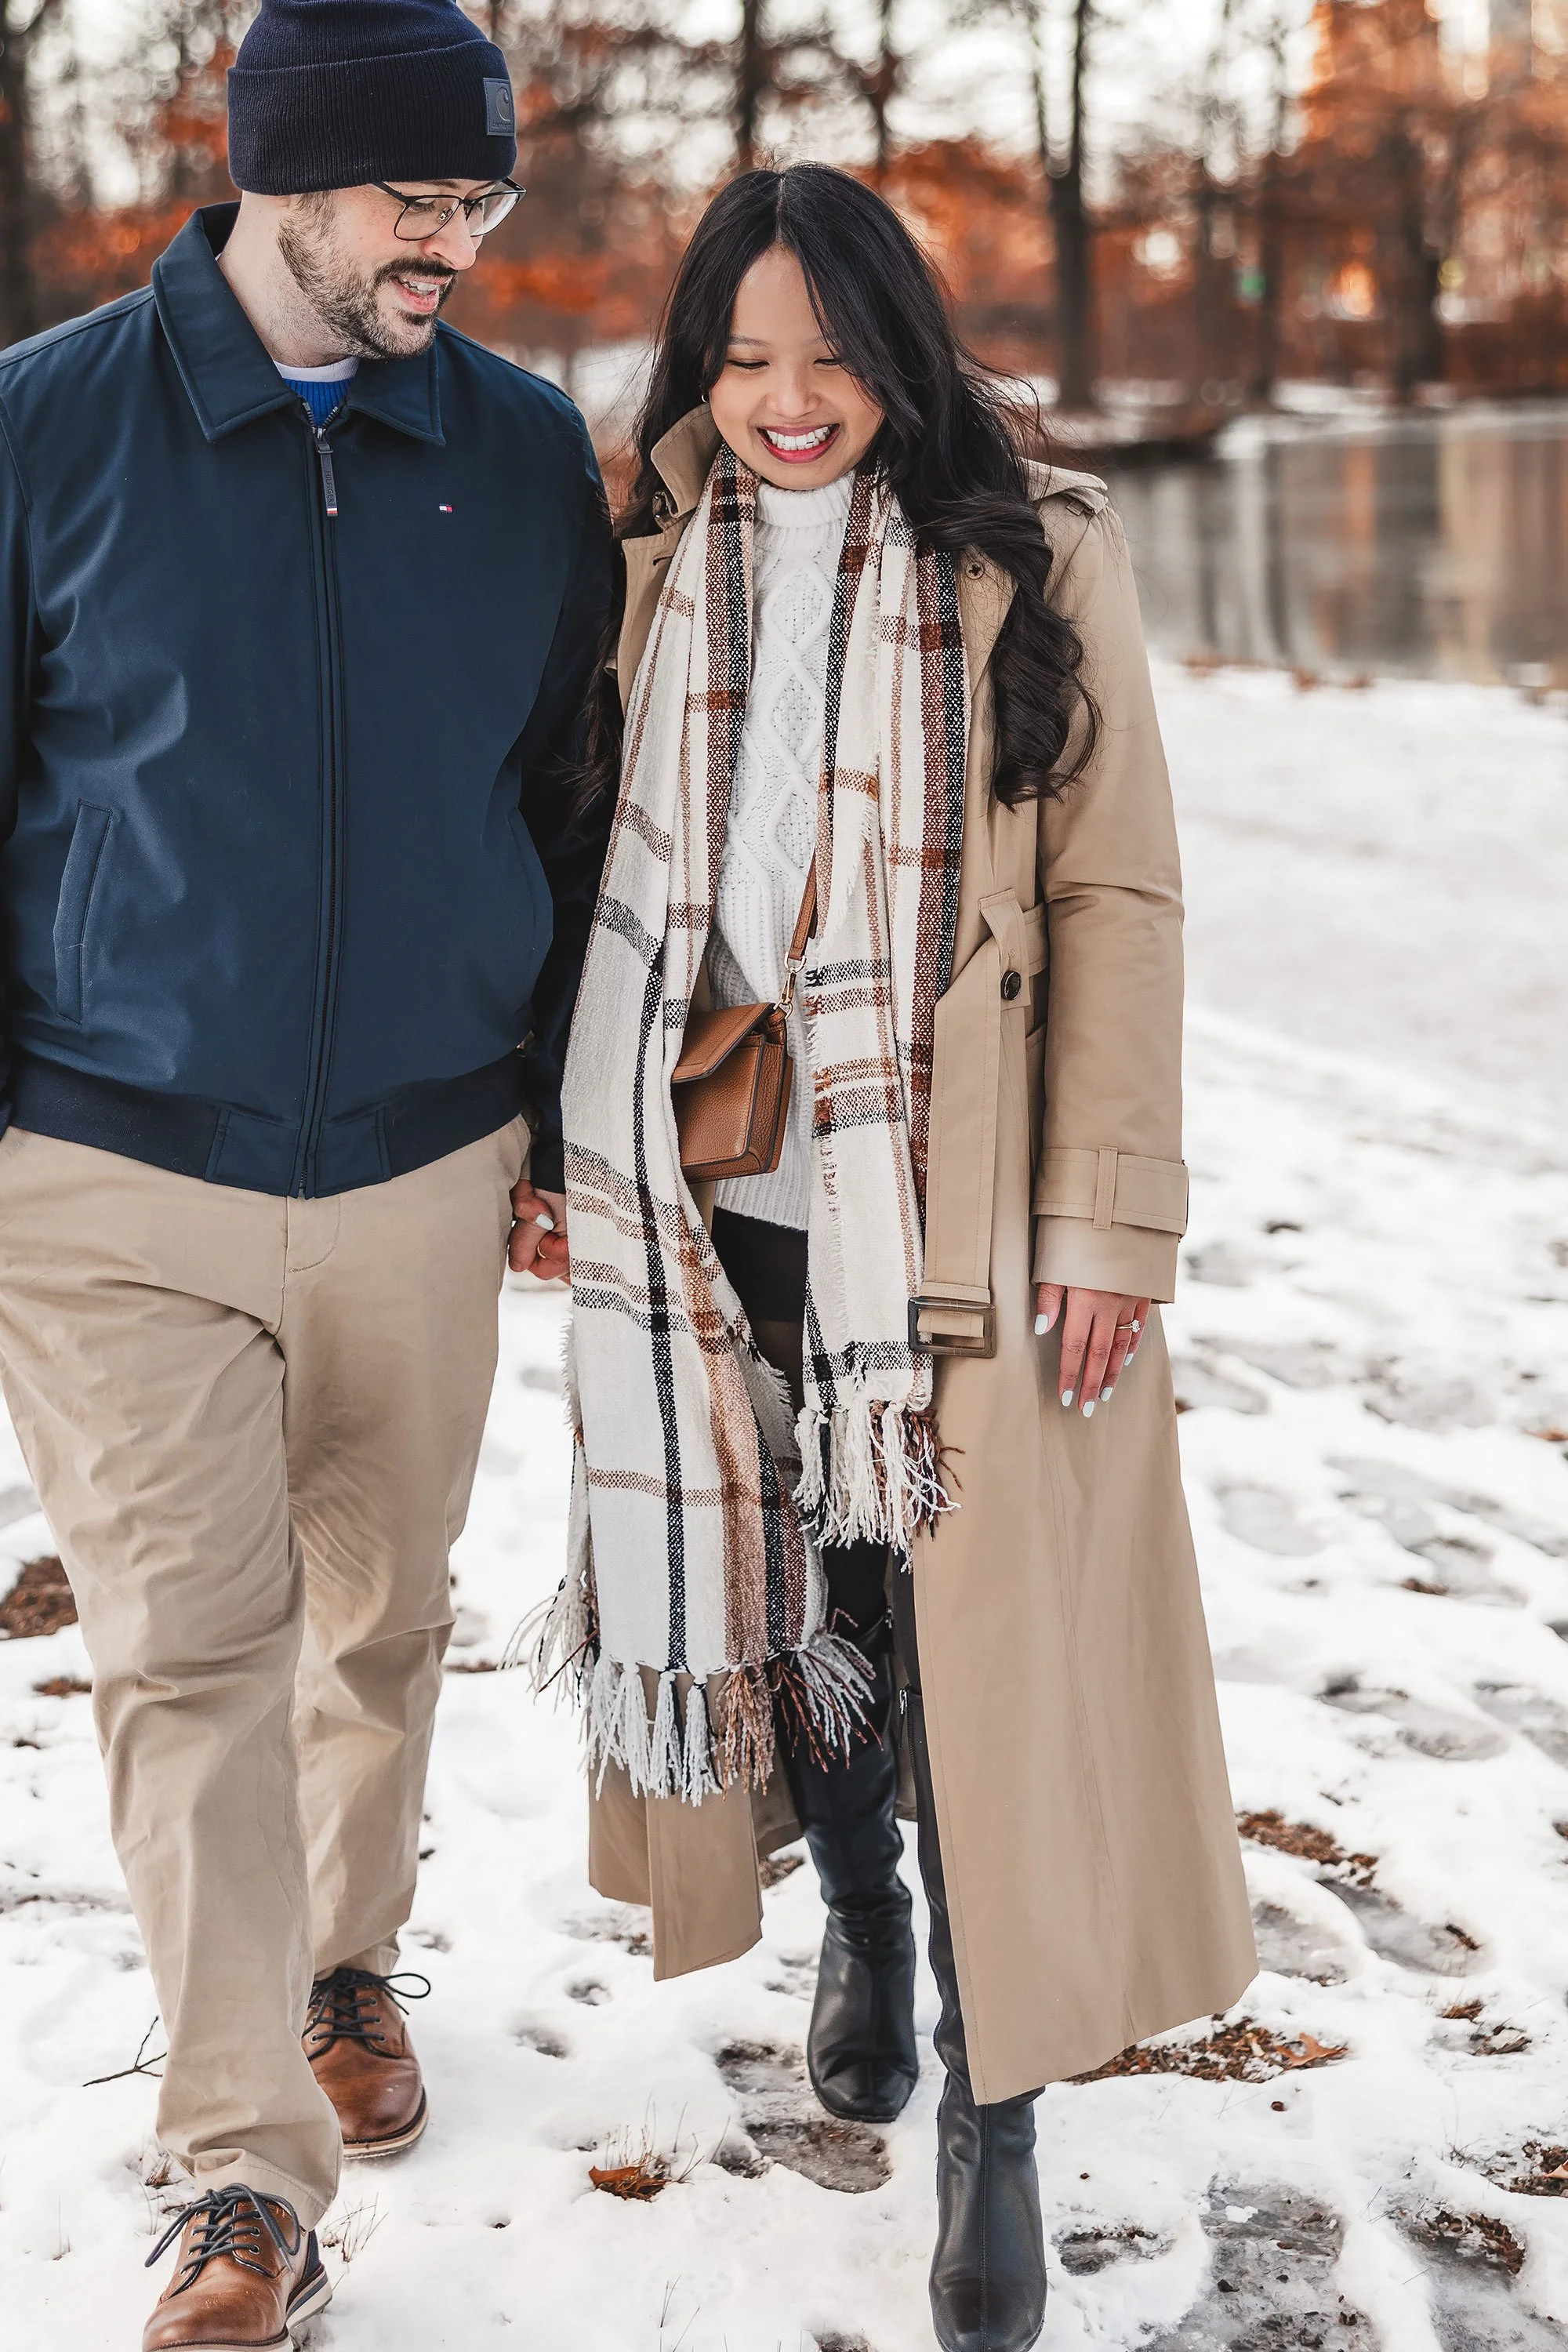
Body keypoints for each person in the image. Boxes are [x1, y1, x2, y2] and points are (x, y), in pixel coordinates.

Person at [540, 164, 1256, 2352]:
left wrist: (1111, 1212)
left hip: (956, 1203)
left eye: (831, 356)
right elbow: (563, 852)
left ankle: (999, 2116)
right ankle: (855, 1910)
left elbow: (1121, 893)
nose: (786, 401)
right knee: (807, 1614)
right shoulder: (636, 558)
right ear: (699, 366)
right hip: (709, 1200)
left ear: (901, 348)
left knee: (979, 1663)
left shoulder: (1032, 549)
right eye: (745, 359)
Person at [0, 1, 602, 2342]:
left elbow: (572, 804)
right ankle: (240, 2172)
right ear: (279, 178)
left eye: (482, 202)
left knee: (381, 1612)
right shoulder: (49, 431)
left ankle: (349, 1958)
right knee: (185, 1659)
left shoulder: (529, 456)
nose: (457, 241)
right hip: (104, 1161)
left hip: (429, 1162)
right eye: (418, 201)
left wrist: (542, 1103)